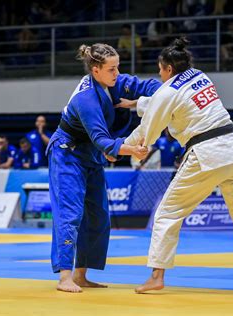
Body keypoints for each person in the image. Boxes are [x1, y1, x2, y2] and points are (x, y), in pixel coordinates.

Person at [120, 37, 233, 297]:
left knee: (167, 213)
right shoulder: (200, 76)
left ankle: (156, 276)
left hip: (208, 154)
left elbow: (151, 127)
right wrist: (137, 104)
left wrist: (125, 148)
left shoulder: (167, 91)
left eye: (160, 69)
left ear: (168, 69)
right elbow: (175, 102)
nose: (159, 74)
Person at [47, 43, 161, 293]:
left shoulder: (114, 82)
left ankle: (80, 275)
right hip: (67, 154)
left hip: (90, 154)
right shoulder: (85, 99)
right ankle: (64, 276)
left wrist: (174, 90)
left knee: (99, 216)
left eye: (118, 67)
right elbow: (102, 141)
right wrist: (130, 149)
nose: (117, 73)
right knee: (70, 214)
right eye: (112, 69)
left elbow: (148, 86)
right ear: (96, 70)